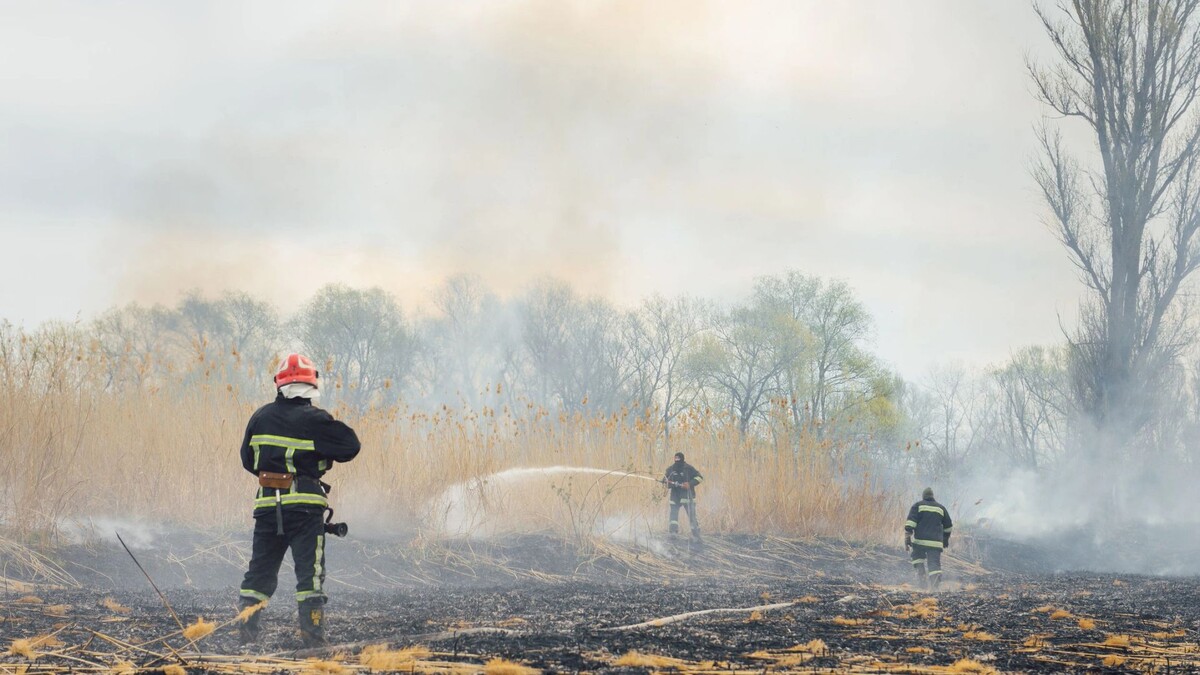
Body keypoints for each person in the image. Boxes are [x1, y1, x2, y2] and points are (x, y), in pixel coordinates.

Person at [236, 353, 361, 647]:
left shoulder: (260, 417)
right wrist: (320, 453)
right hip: (305, 510)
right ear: (310, 388)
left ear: (279, 385)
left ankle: (246, 639)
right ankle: (314, 643)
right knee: (310, 577)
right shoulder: (315, 420)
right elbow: (351, 446)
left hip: (267, 508)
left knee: (259, 575)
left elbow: (248, 460)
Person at [904, 487, 953, 590]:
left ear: (923, 496)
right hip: (935, 543)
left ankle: (922, 582)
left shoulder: (918, 505)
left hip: (920, 542)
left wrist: (907, 537)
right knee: (934, 564)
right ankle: (935, 588)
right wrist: (945, 539)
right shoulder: (941, 508)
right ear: (932, 496)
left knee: (917, 559)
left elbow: (910, 523)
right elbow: (948, 526)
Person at [663, 452, 704, 539]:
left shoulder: (688, 468)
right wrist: (666, 482)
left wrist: (690, 484)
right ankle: (673, 533)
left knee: (692, 515)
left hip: (687, 497)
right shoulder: (671, 469)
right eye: (675, 459)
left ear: (682, 459)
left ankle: (696, 535)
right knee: (673, 516)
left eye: (678, 459)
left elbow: (700, 477)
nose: (677, 461)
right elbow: (665, 480)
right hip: (675, 497)